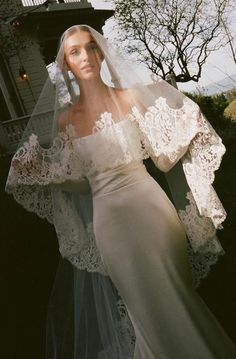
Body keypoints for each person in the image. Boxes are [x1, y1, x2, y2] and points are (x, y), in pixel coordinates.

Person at [6, 25, 236, 358]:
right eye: (75, 52)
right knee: (142, 310)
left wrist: (187, 122)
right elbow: (84, 183)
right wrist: (47, 175)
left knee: (176, 297)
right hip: (110, 225)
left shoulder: (129, 99)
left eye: (91, 48)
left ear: (101, 52)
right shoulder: (66, 121)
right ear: (66, 64)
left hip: (152, 214)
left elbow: (163, 160)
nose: (85, 56)